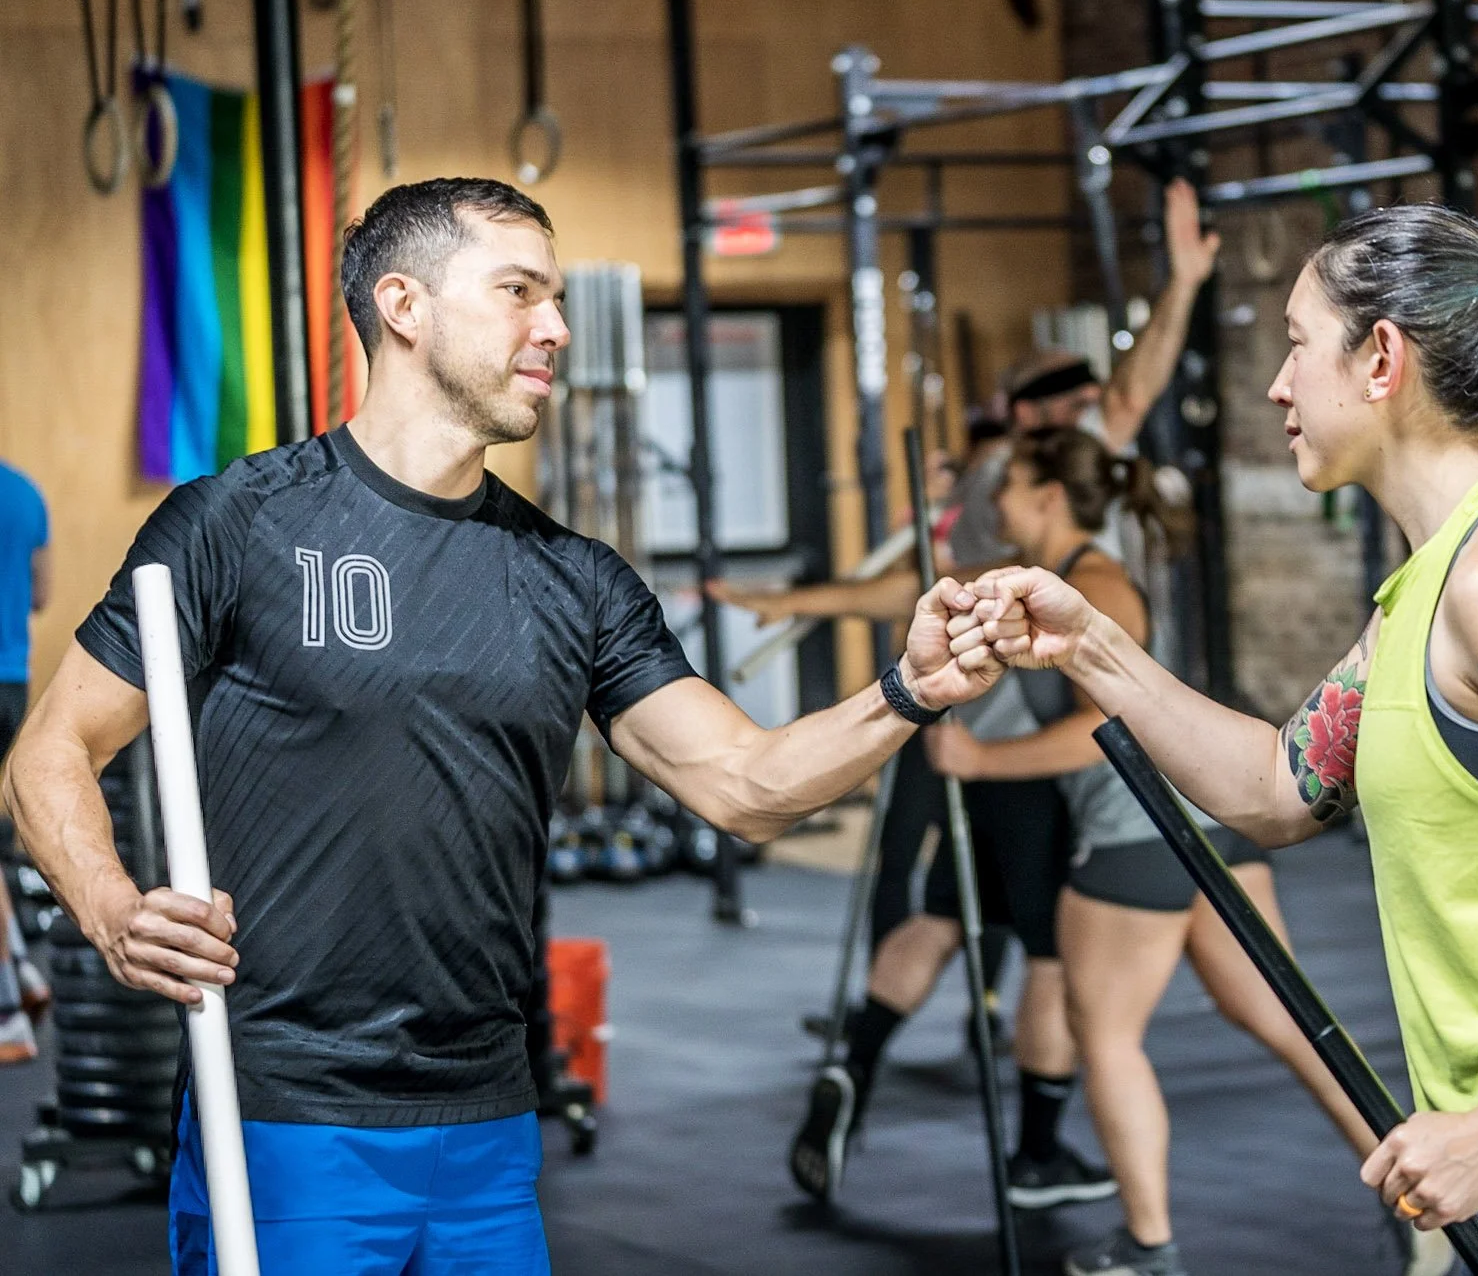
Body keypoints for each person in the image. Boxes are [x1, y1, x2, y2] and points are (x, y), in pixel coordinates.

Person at [0, 178, 1009, 1276]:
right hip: (286, 1111)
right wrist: (112, 908)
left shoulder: (575, 580)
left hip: (486, 1113)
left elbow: (745, 783)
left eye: (556, 298)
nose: (557, 328)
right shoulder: (238, 524)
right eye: (519, 291)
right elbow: (51, 751)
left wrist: (906, 690)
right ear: (404, 305)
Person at [957, 205, 1478, 1276]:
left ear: (1381, 358)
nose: (1277, 386)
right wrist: (1091, 647)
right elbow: (1272, 787)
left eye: (1297, 344)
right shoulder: (1429, 587)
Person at [763, 178, 1221, 1210]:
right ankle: (1037, 1150)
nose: (1082, 412)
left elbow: (908, 588)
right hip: (1011, 762)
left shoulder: (992, 500)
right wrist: (1183, 284)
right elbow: (1131, 397)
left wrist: (790, 601)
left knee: (937, 917)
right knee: (1050, 957)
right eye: (1063, 404)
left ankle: (855, 1064)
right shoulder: (1033, 513)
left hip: (970, 739)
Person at [924, 427, 1407, 1276]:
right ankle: (1421, 1201)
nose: (993, 501)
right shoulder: (1061, 576)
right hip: (1206, 819)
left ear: (1048, 497)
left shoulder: (1099, 583)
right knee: (1285, 1019)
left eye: (1008, 486)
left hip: (1139, 828)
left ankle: (1149, 1245)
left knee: (1105, 1033)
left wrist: (979, 760)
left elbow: (1102, 728)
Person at [0, 458, 52, 1064]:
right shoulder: (25, 493)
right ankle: (23, 974)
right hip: (11, 684)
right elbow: (41, 595)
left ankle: (8, 1016)